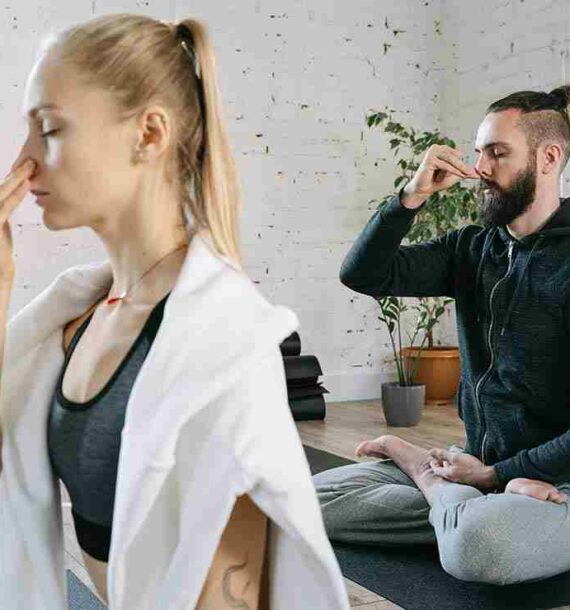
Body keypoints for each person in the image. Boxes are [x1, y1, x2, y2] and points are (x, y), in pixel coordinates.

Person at [0, 13, 350, 610]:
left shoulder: (220, 344)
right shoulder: (77, 318)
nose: (23, 161)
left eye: (50, 129)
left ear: (149, 133)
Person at [314, 85, 570, 586]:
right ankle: (465, 504)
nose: (479, 168)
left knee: (482, 546)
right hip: (480, 467)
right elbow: (363, 274)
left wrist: (493, 476)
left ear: (549, 158)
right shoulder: (470, 249)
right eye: (478, 152)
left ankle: (437, 486)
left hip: (556, 479)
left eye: (497, 153)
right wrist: (410, 197)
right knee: (309, 502)